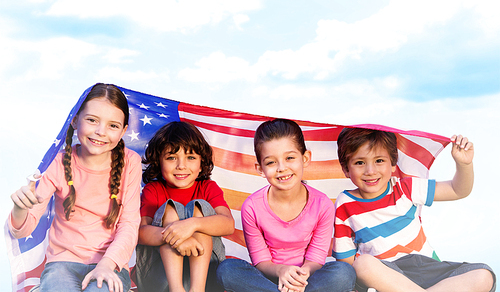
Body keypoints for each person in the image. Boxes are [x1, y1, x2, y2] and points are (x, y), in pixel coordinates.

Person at [9, 83, 142, 292]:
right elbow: (22, 230)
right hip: (61, 265)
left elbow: (129, 224)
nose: (100, 132)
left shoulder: (130, 162)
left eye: (113, 126)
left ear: (124, 131)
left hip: (110, 264)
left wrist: (107, 265)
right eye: (92, 120)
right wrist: (20, 208)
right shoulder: (59, 162)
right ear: (74, 121)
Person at [333, 128, 496, 292]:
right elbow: (345, 265)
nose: (370, 171)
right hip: (386, 277)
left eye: (379, 161)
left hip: (427, 268)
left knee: (484, 275)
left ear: (393, 162)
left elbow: (457, 190)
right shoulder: (344, 203)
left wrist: (464, 164)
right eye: (359, 162)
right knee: (362, 264)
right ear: (346, 169)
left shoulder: (406, 188)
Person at [216, 119, 356, 292]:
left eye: (290, 158)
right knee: (227, 269)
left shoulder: (323, 205)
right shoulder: (252, 207)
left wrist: (300, 276)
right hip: (268, 279)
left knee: (344, 272)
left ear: (305, 158)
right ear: (260, 168)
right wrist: (282, 271)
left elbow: (316, 258)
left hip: (307, 279)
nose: (281, 168)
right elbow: (260, 261)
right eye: (270, 162)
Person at [136, 121, 235, 292]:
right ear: (159, 161)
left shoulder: (207, 187)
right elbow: (140, 233)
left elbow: (228, 224)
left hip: (206, 276)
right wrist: (176, 237)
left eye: (190, 157)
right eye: (171, 158)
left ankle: (197, 290)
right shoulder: (153, 190)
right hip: (161, 277)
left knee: (199, 208)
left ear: (201, 162)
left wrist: (192, 225)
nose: (181, 165)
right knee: (170, 208)